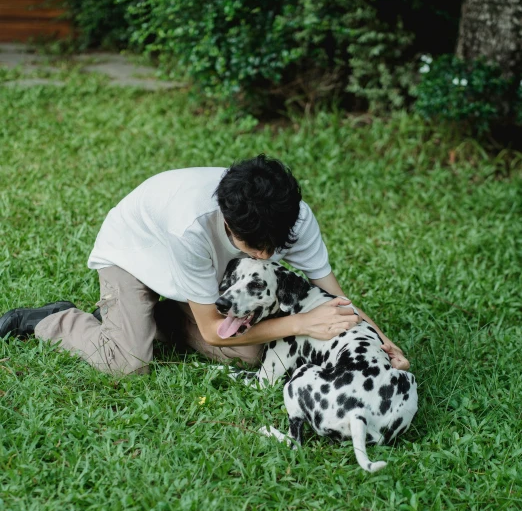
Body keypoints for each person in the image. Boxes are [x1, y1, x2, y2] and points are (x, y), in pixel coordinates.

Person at [0, 155, 410, 374]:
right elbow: (215, 332)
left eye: (274, 245)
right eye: (253, 247)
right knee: (127, 363)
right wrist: (301, 323)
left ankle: (141, 319)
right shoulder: (191, 226)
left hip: (204, 281)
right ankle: (49, 319)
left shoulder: (292, 217)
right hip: (135, 256)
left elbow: (334, 296)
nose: (266, 257)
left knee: (250, 355)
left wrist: (382, 340)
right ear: (226, 220)